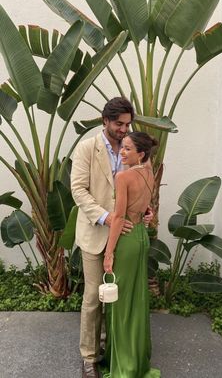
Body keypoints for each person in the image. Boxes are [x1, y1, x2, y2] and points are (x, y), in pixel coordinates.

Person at [71, 97, 152, 378]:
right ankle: (89, 358)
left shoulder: (133, 148)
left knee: (116, 297)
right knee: (94, 296)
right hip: (96, 232)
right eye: (119, 124)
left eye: (128, 124)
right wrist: (106, 216)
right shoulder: (86, 149)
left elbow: (138, 186)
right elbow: (79, 191)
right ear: (105, 121)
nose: (124, 129)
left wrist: (145, 209)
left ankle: (113, 351)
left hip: (126, 236)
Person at [101, 132, 161, 378]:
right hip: (141, 238)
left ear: (141, 153)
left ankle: (124, 365)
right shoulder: (149, 174)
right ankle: (136, 359)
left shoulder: (123, 176)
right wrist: (147, 214)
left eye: (127, 149)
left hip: (125, 242)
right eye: (122, 148)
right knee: (137, 299)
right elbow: (149, 208)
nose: (122, 152)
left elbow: (117, 217)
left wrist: (108, 252)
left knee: (121, 302)